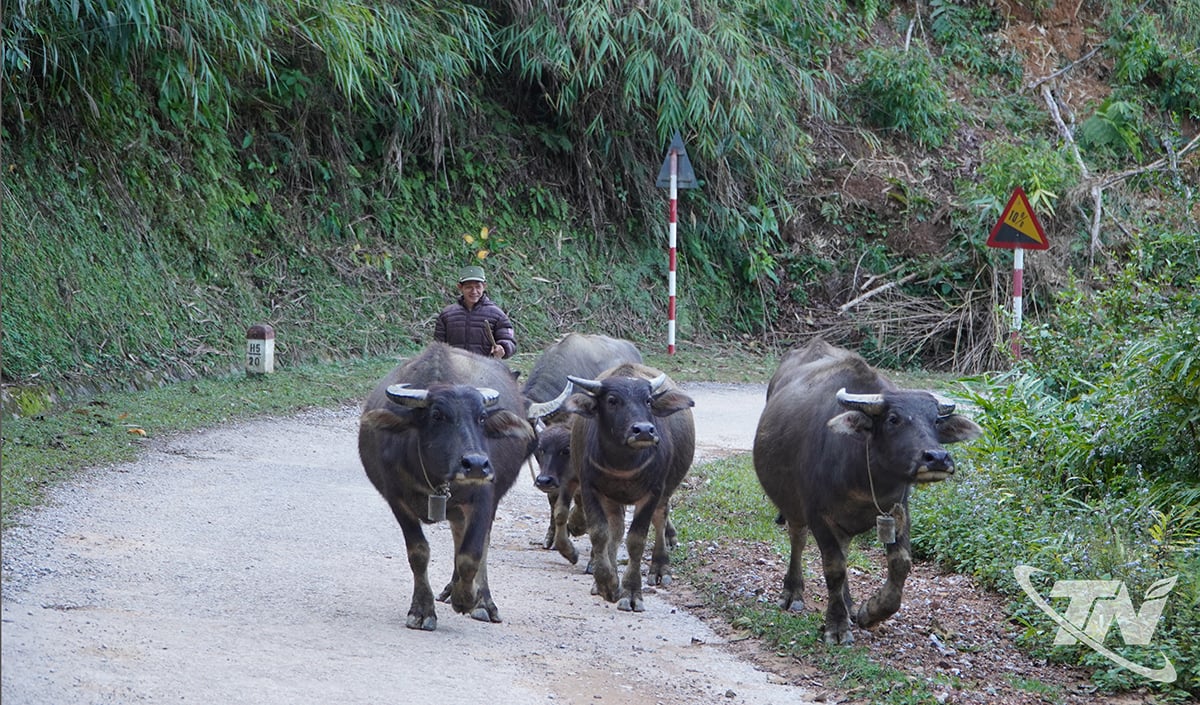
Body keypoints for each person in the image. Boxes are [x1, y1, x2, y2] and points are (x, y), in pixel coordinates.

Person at [434, 265, 516, 359]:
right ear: (460, 287)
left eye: (478, 287)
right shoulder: (447, 315)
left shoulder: (497, 315)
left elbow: (509, 341)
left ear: (484, 286)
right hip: (455, 369)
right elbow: (438, 346)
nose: (474, 291)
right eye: (469, 287)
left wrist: (503, 348)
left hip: (485, 369)